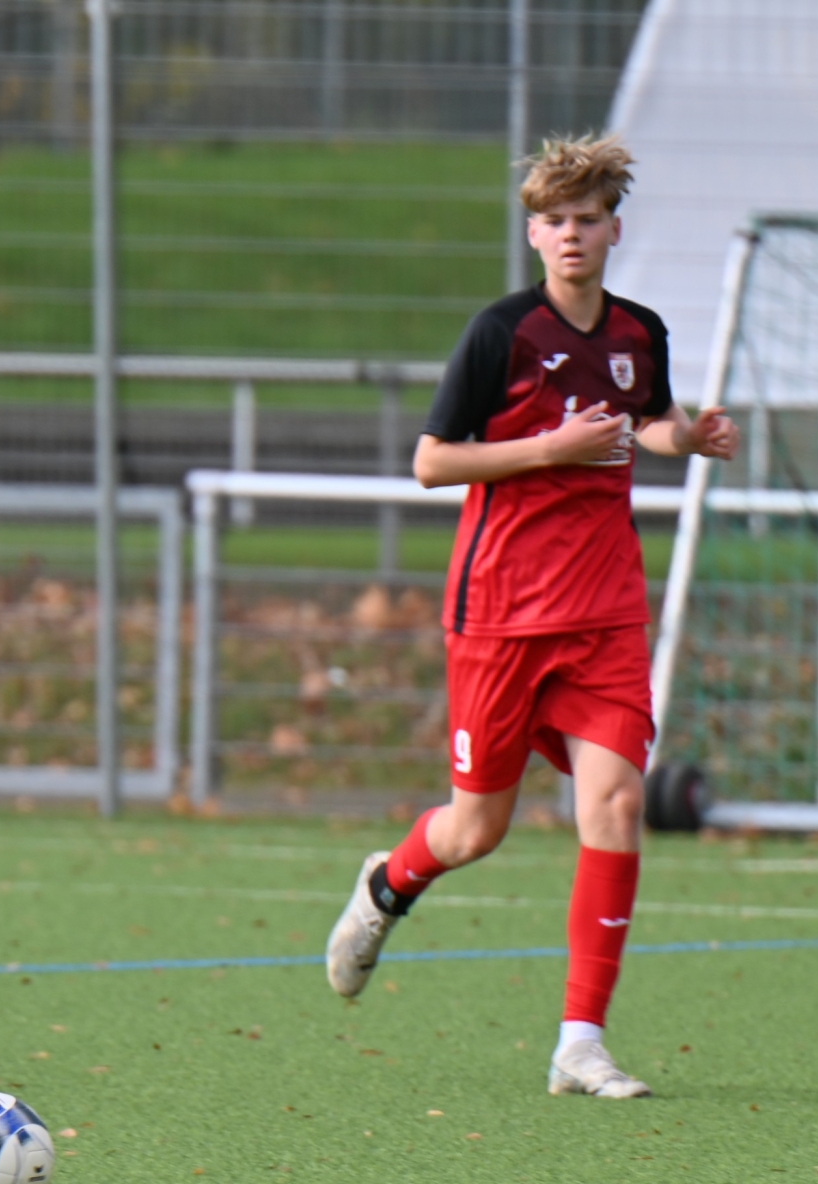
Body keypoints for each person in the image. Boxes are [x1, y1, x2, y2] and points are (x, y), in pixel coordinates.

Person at [322, 136, 738, 1098]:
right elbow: (432, 462)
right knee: (476, 830)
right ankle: (388, 886)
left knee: (617, 802)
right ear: (533, 235)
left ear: (614, 230)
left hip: (604, 614)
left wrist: (688, 436)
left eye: (588, 219)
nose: (572, 235)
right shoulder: (500, 334)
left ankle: (579, 1044)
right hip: (502, 613)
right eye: (554, 221)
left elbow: (645, 419)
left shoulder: (639, 332)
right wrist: (550, 448)